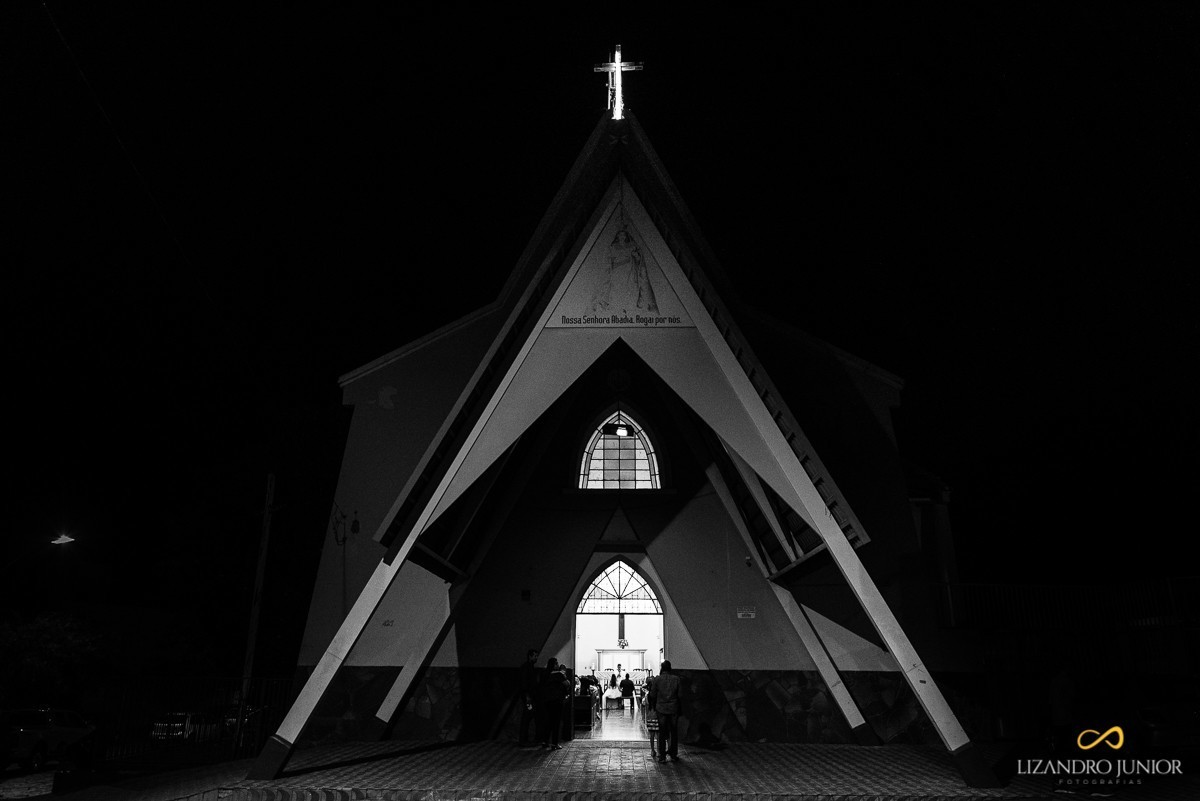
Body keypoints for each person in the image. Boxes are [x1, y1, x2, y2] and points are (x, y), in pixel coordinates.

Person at [647, 660, 682, 762]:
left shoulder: (657, 680)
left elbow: (652, 694)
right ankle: (674, 754)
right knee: (673, 731)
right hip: (673, 708)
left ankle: (662, 756)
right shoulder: (676, 679)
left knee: (662, 732)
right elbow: (680, 694)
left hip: (661, 708)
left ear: (662, 668)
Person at [537, 657, 572, 750]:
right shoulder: (559, 674)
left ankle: (545, 741)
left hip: (546, 701)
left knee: (548, 721)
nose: (557, 665)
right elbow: (567, 684)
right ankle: (554, 743)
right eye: (556, 663)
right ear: (554, 665)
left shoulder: (544, 673)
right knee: (556, 722)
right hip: (557, 700)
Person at [517, 648, 539, 747]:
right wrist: (527, 696)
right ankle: (523, 739)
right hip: (528, 697)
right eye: (535, 656)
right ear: (530, 656)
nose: (536, 658)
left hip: (528, 696)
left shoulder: (527, 667)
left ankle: (523, 739)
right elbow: (525, 684)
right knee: (527, 716)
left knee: (527, 716)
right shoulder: (528, 668)